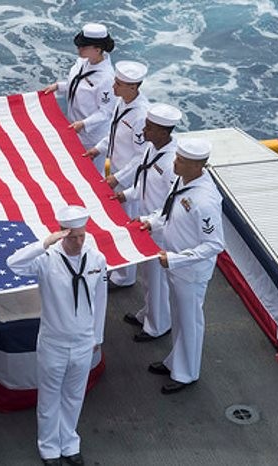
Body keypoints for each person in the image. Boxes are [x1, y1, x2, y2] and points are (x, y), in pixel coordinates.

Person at [7, 205, 108, 466]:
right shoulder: (46, 260)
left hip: (84, 342)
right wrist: (44, 244)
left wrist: (98, 337)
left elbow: (100, 299)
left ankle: (69, 443)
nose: (78, 242)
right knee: (50, 396)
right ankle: (49, 447)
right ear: (62, 235)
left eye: (82, 236)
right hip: (54, 343)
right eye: (72, 237)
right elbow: (13, 264)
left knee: (75, 396)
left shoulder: (96, 259)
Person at [141, 138, 224, 394]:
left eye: (180, 160)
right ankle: (175, 362)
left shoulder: (205, 200)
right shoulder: (182, 181)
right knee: (179, 317)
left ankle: (186, 373)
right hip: (175, 265)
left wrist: (176, 259)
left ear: (196, 166)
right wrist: (151, 223)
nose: (174, 162)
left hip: (189, 271)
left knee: (189, 321)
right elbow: (168, 211)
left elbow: (214, 245)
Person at [112, 103, 182, 342]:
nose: (144, 130)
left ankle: (157, 325)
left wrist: (150, 221)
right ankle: (148, 313)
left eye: (149, 127)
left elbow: (170, 203)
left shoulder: (173, 162)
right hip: (145, 221)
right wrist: (127, 194)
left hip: (158, 227)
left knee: (156, 280)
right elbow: (143, 183)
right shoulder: (151, 149)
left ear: (164, 132)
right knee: (147, 277)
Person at [84, 60, 150, 288]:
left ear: (133, 87)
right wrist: (98, 149)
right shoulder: (122, 102)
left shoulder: (141, 116)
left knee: (126, 224)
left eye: (119, 84)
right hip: (119, 169)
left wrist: (118, 178)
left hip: (128, 177)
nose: (114, 87)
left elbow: (141, 155)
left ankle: (125, 277)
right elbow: (113, 132)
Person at [43, 23, 117, 174]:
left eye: (84, 47)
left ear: (97, 49)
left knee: (92, 173)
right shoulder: (83, 62)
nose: (79, 49)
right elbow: (78, 84)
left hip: (92, 136)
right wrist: (59, 86)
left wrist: (84, 124)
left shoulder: (106, 78)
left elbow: (106, 112)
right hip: (74, 127)